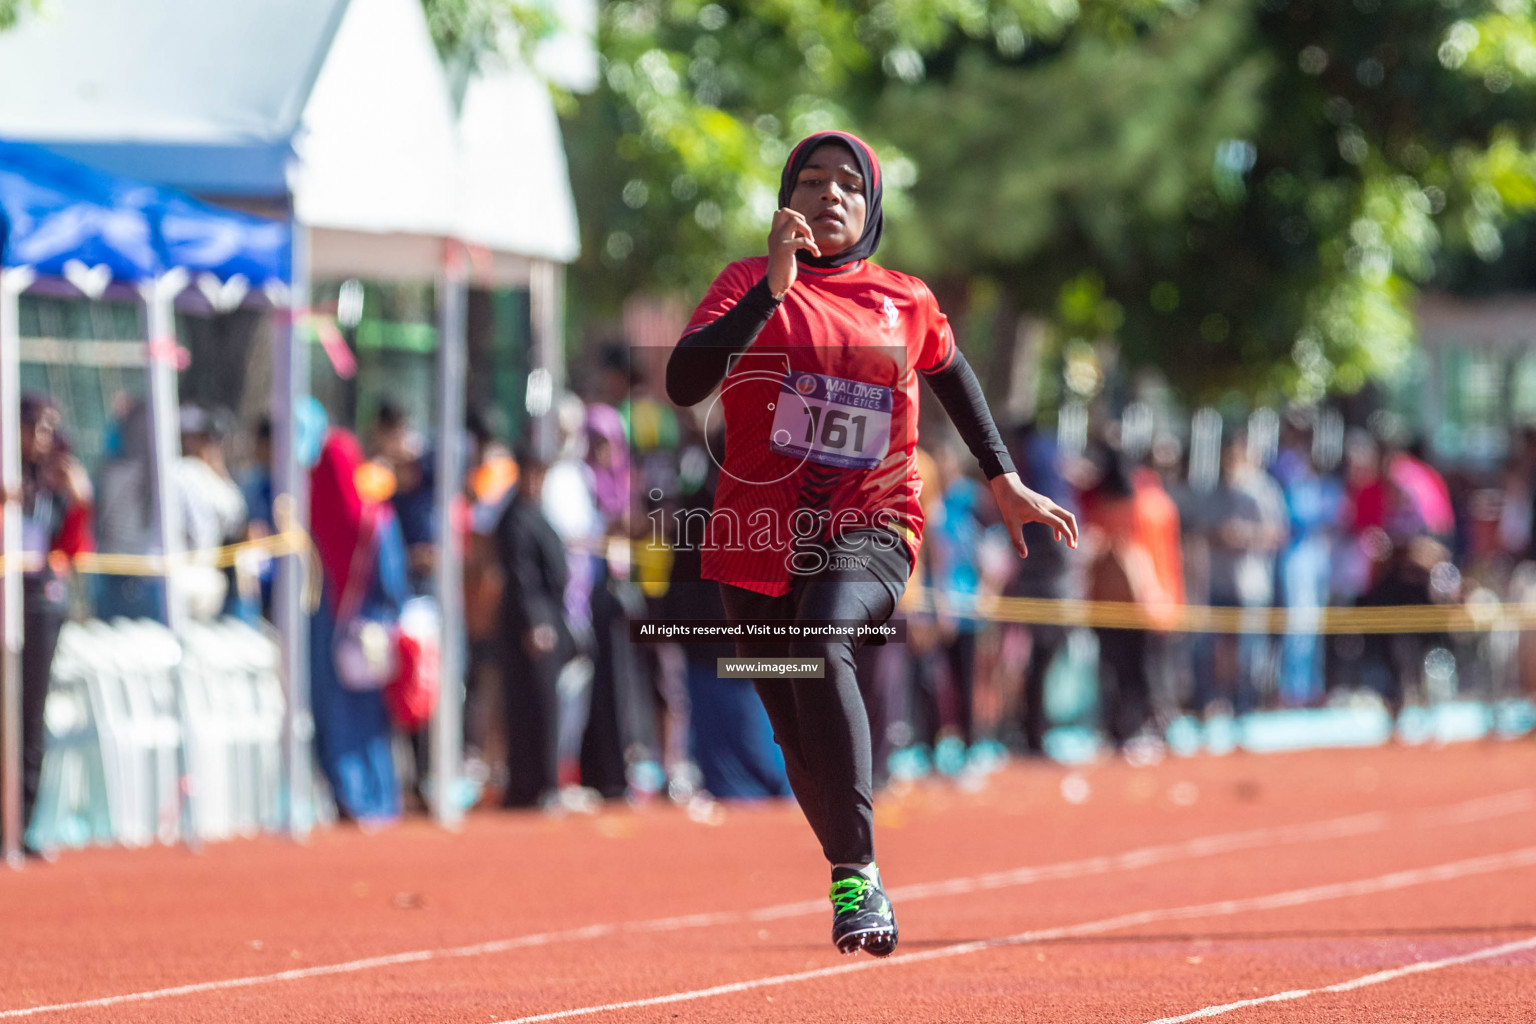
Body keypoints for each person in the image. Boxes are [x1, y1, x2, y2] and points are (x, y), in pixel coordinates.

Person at [664, 131, 1077, 956]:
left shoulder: (904, 298)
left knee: (821, 641)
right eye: (810, 180)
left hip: (872, 522)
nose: (829, 195)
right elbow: (684, 382)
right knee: (795, 731)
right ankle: (854, 877)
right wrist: (770, 295)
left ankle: (858, 873)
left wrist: (1002, 479)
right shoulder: (746, 282)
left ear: (872, 203)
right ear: (786, 197)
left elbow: (953, 374)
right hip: (753, 538)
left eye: (848, 183)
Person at [4, 395, 92, 857]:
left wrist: (79, 502)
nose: (42, 437)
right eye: (35, 426)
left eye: (48, 428)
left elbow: (71, 548)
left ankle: (21, 823)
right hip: (5, 595)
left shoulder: (53, 482)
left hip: (38, 603)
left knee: (30, 716)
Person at [308, 427, 408, 825]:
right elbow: (392, 580)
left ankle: (345, 795)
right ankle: (377, 798)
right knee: (369, 723)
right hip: (366, 633)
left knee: (333, 719)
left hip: (324, 635)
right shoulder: (375, 517)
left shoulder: (308, 517)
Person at [494, 444, 576, 808]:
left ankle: (539, 782)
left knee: (544, 706)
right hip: (531, 628)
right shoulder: (514, 518)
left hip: (548, 620)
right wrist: (535, 622)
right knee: (533, 707)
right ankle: (534, 785)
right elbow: (521, 576)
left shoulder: (534, 513)